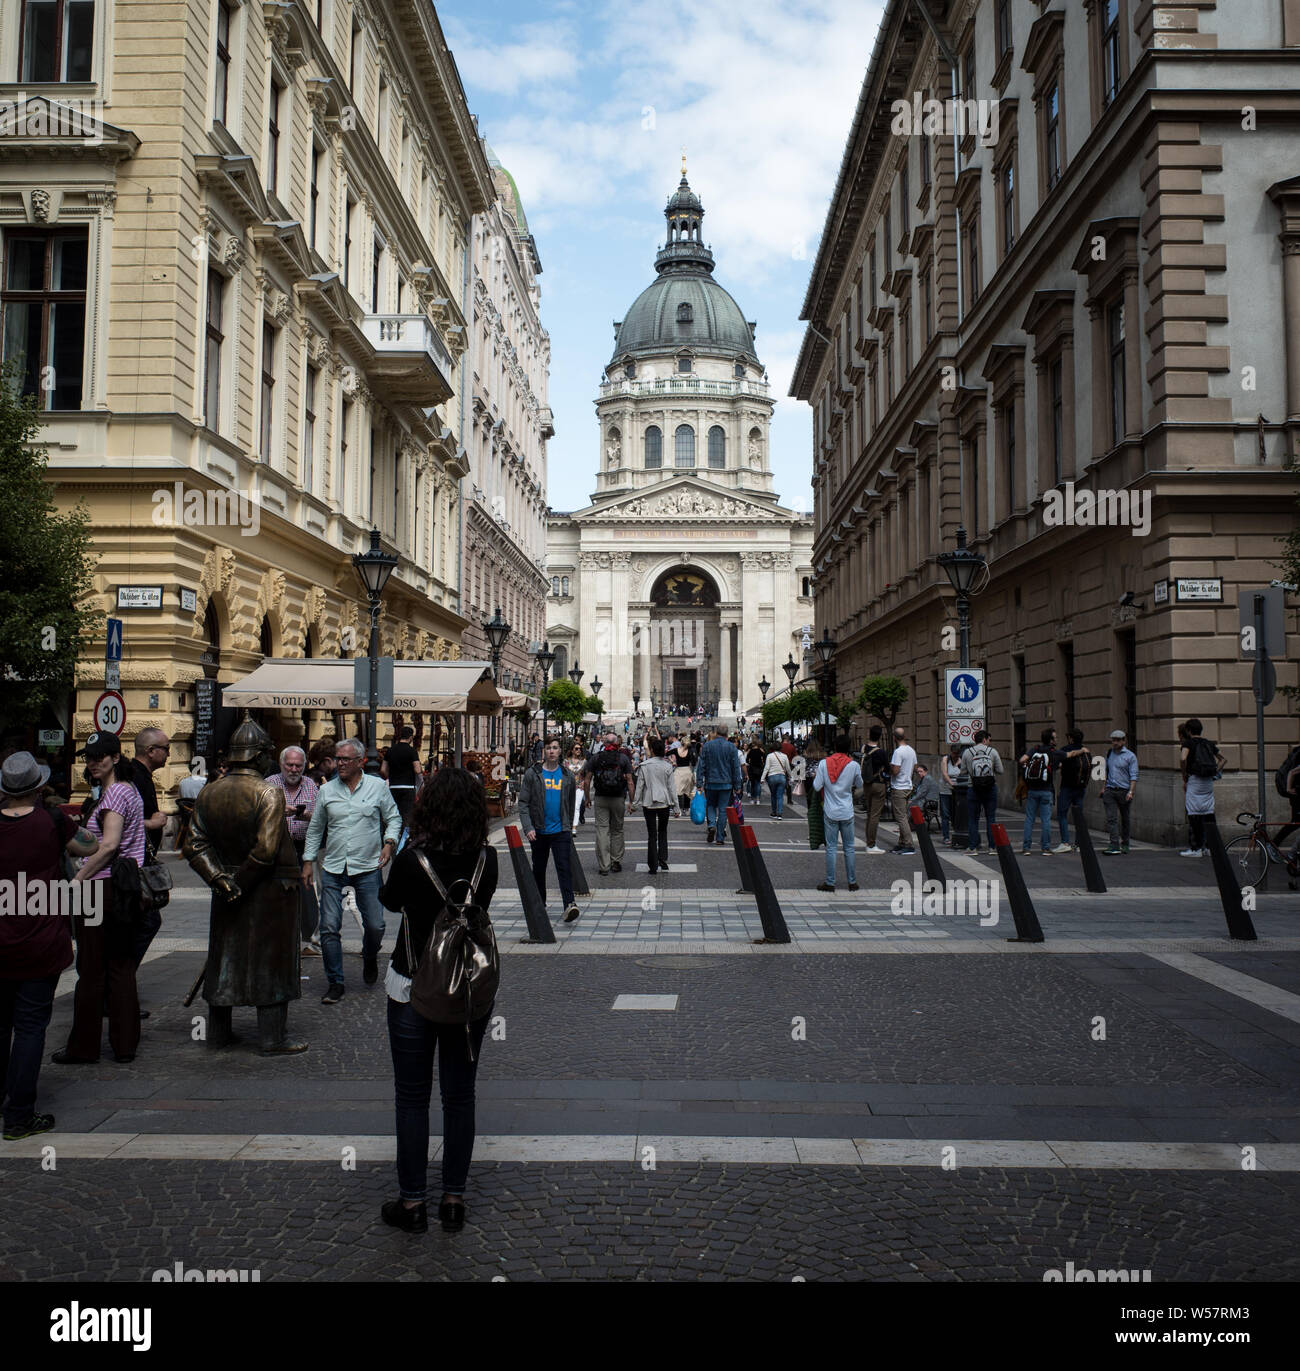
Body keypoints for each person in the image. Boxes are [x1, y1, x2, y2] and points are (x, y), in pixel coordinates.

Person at [378, 765, 499, 1235]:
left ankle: (412, 1205)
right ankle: (453, 1199)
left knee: (412, 1098)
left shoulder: (413, 860)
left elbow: (390, 902)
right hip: (468, 988)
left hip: (412, 986)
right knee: (460, 1095)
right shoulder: (488, 860)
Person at [184, 718, 307, 1055]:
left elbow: (193, 845)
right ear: (258, 757)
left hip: (227, 888)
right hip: (268, 889)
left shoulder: (210, 791)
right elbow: (266, 851)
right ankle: (272, 1038)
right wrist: (237, 884)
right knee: (272, 961)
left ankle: (219, 1032)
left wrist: (220, 880)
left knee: (224, 956)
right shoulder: (268, 793)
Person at [1, 752, 99, 1138]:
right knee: (29, 1028)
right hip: (39, 938)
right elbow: (89, 847)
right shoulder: (52, 820)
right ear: (39, 787)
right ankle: (20, 1115)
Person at [53, 732, 146, 1065]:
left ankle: (84, 1047)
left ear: (115, 758)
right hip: (124, 889)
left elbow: (109, 845)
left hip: (100, 889)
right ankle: (124, 1045)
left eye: (99, 757)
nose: (92, 763)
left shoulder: (116, 793)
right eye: (88, 757)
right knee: (121, 968)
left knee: (92, 970)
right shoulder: (129, 791)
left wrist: (78, 878)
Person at [302, 736, 402, 1004]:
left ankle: (370, 956)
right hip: (333, 867)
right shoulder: (327, 791)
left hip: (368, 866)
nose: (340, 764)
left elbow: (393, 817)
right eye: (338, 758)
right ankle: (335, 982)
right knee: (329, 928)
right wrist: (308, 861)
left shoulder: (377, 787)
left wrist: (389, 843)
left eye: (346, 759)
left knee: (375, 925)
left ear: (360, 762)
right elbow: (315, 829)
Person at [518, 736, 580, 922]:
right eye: (548, 748)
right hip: (539, 830)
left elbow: (570, 802)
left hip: (560, 830)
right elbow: (523, 803)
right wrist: (528, 827)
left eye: (555, 748)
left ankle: (569, 904)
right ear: (544, 751)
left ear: (560, 751)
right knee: (539, 868)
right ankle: (540, 903)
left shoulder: (567, 775)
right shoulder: (533, 774)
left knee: (564, 867)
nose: (551, 751)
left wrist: (567, 826)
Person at [268, 746, 320, 956]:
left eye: (298, 765)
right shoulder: (270, 784)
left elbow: (319, 817)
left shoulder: (311, 786)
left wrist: (305, 815)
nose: (293, 769)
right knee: (277, 893)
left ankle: (310, 941)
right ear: (281, 764)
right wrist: (281, 811)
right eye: (289, 764)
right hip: (277, 848)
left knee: (308, 894)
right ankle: (277, 938)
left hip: (303, 848)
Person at [127, 727, 170, 982]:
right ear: (150, 751)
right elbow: (117, 820)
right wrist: (151, 824)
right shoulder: (135, 777)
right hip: (133, 866)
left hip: (139, 864)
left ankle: (120, 986)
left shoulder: (142, 775)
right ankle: (119, 986)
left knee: (144, 923)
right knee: (145, 923)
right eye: (165, 748)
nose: (168, 753)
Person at [814, 736, 863, 892]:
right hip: (847, 810)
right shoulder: (854, 765)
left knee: (831, 848)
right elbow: (860, 784)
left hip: (830, 811)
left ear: (834, 746)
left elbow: (816, 787)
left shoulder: (823, 763)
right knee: (849, 848)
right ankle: (852, 882)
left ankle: (830, 882)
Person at [581, 731, 634, 875]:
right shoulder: (623, 758)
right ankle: (615, 862)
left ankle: (604, 866)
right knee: (617, 830)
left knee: (602, 830)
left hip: (601, 797)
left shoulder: (596, 758)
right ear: (616, 743)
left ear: (604, 743)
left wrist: (587, 798)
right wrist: (631, 801)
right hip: (618, 798)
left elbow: (586, 780)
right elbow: (630, 781)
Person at [1179, 718, 1223, 857]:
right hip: (1208, 781)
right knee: (1209, 812)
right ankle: (1210, 847)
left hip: (1195, 779)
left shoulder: (1188, 743)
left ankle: (1196, 848)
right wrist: (1215, 771)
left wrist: (1184, 774)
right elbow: (1223, 759)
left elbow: (1183, 758)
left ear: (1188, 730)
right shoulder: (1208, 743)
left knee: (1194, 814)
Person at [634, 735, 675, 874]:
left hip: (649, 801)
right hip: (664, 802)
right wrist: (676, 807)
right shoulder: (668, 766)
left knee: (652, 834)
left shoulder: (645, 766)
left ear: (651, 750)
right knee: (663, 831)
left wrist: (634, 804)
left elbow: (639, 786)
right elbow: (671, 788)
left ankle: (652, 865)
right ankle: (663, 859)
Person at [695, 723, 743, 845]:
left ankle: (711, 825)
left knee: (710, 805)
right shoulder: (732, 748)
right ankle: (720, 837)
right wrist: (737, 786)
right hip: (726, 784)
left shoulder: (707, 746)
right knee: (723, 810)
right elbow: (736, 768)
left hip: (710, 782)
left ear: (716, 732)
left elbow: (701, 766)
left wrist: (699, 782)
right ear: (727, 734)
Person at [961, 730, 1004, 854]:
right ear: (984, 740)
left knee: (973, 819)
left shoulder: (967, 753)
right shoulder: (993, 751)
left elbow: (963, 771)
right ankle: (992, 847)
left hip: (973, 788)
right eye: (988, 740)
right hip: (990, 788)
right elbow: (1000, 770)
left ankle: (973, 847)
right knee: (991, 818)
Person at [1018, 728, 1058, 856]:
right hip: (1046, 790)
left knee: (1030, 819)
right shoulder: (1053, 752)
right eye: (1055, 737)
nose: (1056, 739)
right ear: (1051, 740)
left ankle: (1026, 848)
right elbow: (1063, 761)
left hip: (1032, 790)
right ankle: (1045, 848)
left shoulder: (1034, 749)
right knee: (1046, 820)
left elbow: (1022, 760)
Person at [1052, 730, 1092, 853]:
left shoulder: (1065, 749)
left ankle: (1065, 842)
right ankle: (1079, 844)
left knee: (1062, 814)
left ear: (1071, 738)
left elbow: (1057, 764)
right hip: (1080, 788)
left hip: (1067, 787)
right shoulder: (1086, 752)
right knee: (1078, 816)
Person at [1101, 729, 1138, 855]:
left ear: (1124, 741)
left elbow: (1134, 776)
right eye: (1113, 740)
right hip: (1110, 790)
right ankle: (1114, 844)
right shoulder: (1110, 753)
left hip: (1124, 791)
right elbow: (1107, 771)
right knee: (1111, 818)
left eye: (1118, 740)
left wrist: (1131, 791)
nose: (1115, 742)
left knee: (1125, 818)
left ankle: (1125, 843)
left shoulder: (1130, 756)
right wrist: (1103, 787)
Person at [382, 725, 422, 829]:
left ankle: (393, 835)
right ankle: (404, 840)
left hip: (393, 786)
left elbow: (383, 769)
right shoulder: (412, 750)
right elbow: (417, 770)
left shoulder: (390, 750)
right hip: (408, 787)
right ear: (411, 737)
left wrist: (391, 776)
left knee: (393, 814)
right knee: (407, 816)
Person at [887, 726, 917, 855]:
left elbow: (895, 771)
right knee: (903, 815)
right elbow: (915, 767)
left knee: (901, 817)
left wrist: (889, 768)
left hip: (899, 787)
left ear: (894, 738)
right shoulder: (911, 750)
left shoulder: (898, 752)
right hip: (908, 786)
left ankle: (909, 844)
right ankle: (902, 843)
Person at [861, 726, 891, 854]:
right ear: (879, 737)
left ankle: (868, 841)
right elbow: (888, 769)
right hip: (878, 784)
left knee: (869, 814)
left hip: (866, 784)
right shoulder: (881, 752)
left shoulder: (863, 749)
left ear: (869, 734)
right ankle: (871, 844)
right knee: (874, 816)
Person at [803, 738, 826, 849]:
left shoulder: (806, 758)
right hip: (821, 783)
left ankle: (811, 832)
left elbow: (799, 772)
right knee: (822, 807)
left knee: (811, 809)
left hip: (809, 784)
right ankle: (824, 830)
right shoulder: (823, 758)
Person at [938, 745, 963, 845]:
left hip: (957, 791)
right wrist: (951, 783)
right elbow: (944, 774)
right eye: (954, 753)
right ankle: (946, 837)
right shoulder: (945, 759)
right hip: (945, 790)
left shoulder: (961, 761)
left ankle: (957, 835)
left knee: (956, 814)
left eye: (957, 754)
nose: (956, 756)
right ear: (951, 752)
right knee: (945, 814)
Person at [761, 742, 792, 818]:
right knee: (780, 796)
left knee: (773, 795)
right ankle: (780, 813)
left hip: (772, 777)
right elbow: (788, 768)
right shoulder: (784, 756)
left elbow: (767, 768)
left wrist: (762, 778)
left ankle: (774, 812)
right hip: (782, 777)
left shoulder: (769, 756)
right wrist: (791, 776)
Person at [910, 763, 942, 830]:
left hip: (930, 802)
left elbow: (922, 792)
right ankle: (910, 825)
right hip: (927, 800)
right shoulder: (924, 778)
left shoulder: (927, 779)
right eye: (918, 772)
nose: (919, 773)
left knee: (911, 804)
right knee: (911, 803)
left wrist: (912, 799)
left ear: (926, 771)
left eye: (921, 771)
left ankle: (909, 825)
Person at [566, 741, 588, 830]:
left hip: (579, 786)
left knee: (576, 806)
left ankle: (574, 827)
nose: (579, 750)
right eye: (576, 748)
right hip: (568, 786)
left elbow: (588, 775)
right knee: (568, 806)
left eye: (580, 749)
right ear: (572, 750)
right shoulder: (566, 761)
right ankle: (568, 823)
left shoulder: (584, 761)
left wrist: (584, 783)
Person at [745, 739, 764, 804]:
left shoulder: (750, 751)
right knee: (758, 784)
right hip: (759, 769)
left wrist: (750, 762)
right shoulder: (760, 751)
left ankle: (752, 799)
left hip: (752, 769)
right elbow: (764, 758)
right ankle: (758, 799)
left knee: (752, 784)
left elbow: (747, 760)